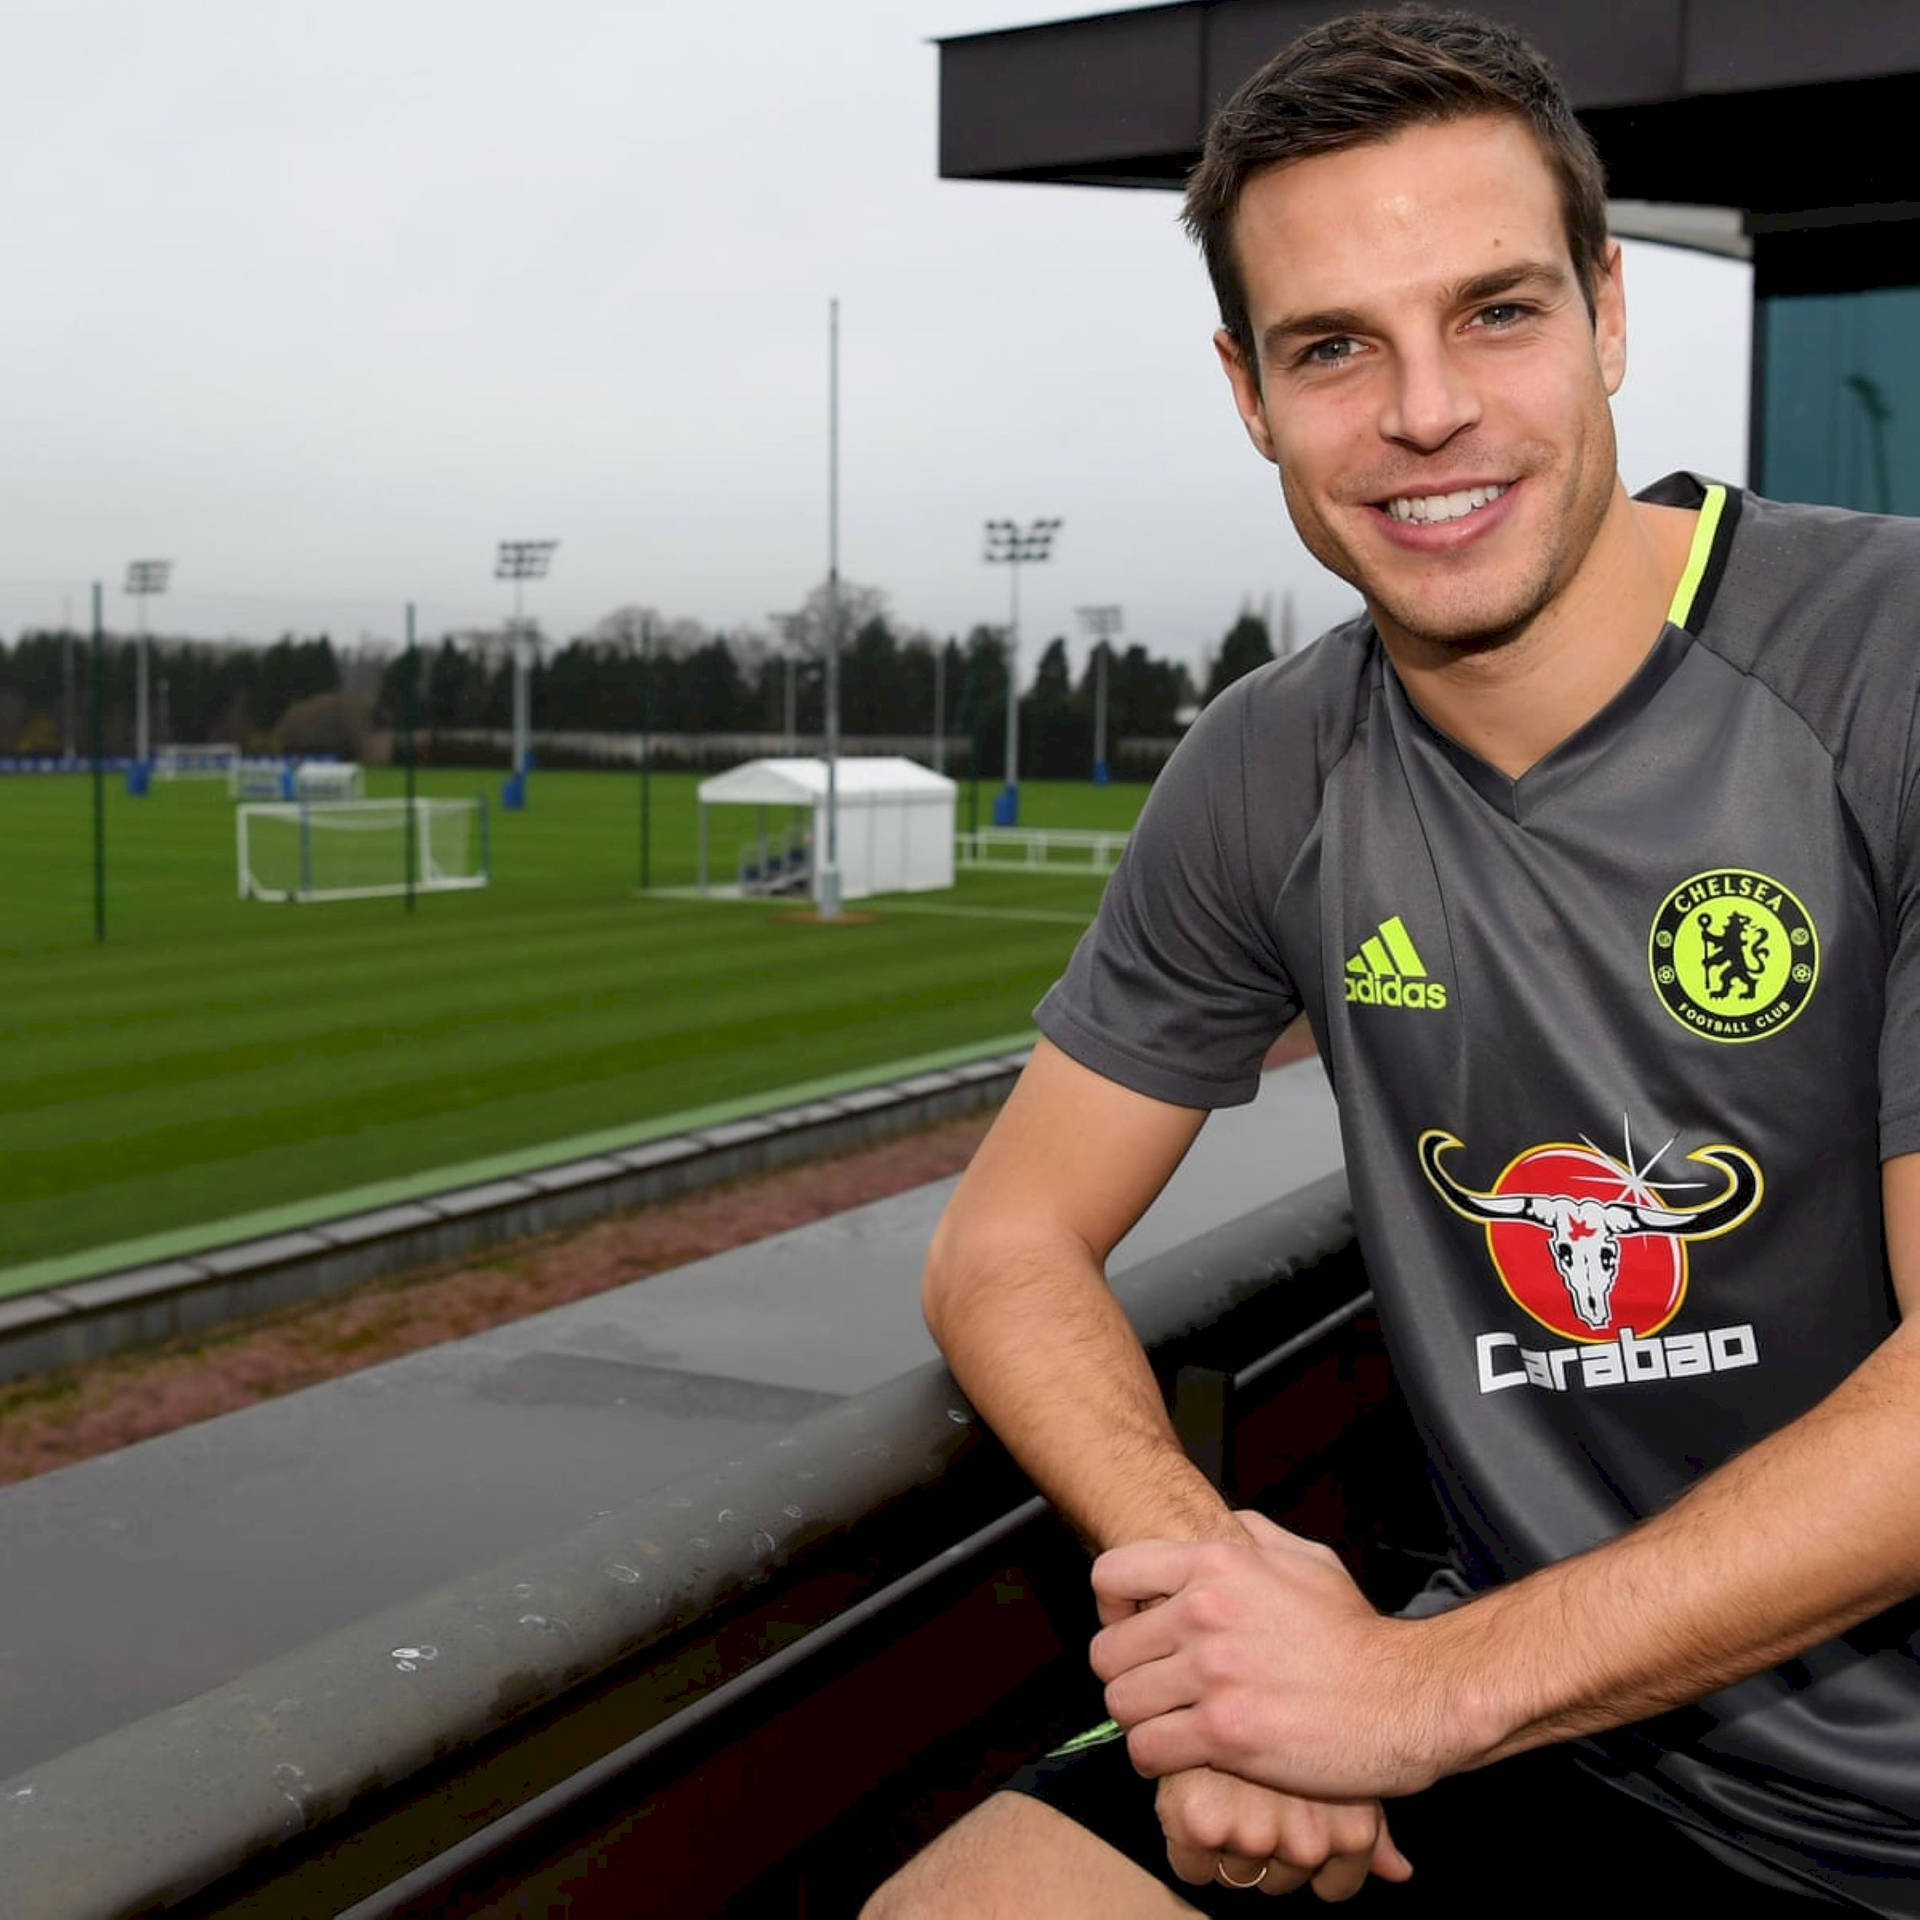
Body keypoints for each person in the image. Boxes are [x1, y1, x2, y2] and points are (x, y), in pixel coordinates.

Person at [863, 7, 1920, 1915]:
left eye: (1495, 312)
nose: (1422, 411)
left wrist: (1399, 1701)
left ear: (1610, 313)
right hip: (1522, 1720)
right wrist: (1237, 1636)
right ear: (1246, 392)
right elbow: (1002, 1249)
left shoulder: (1890, 666)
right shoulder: (1270, 764)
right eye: (1332, 347)